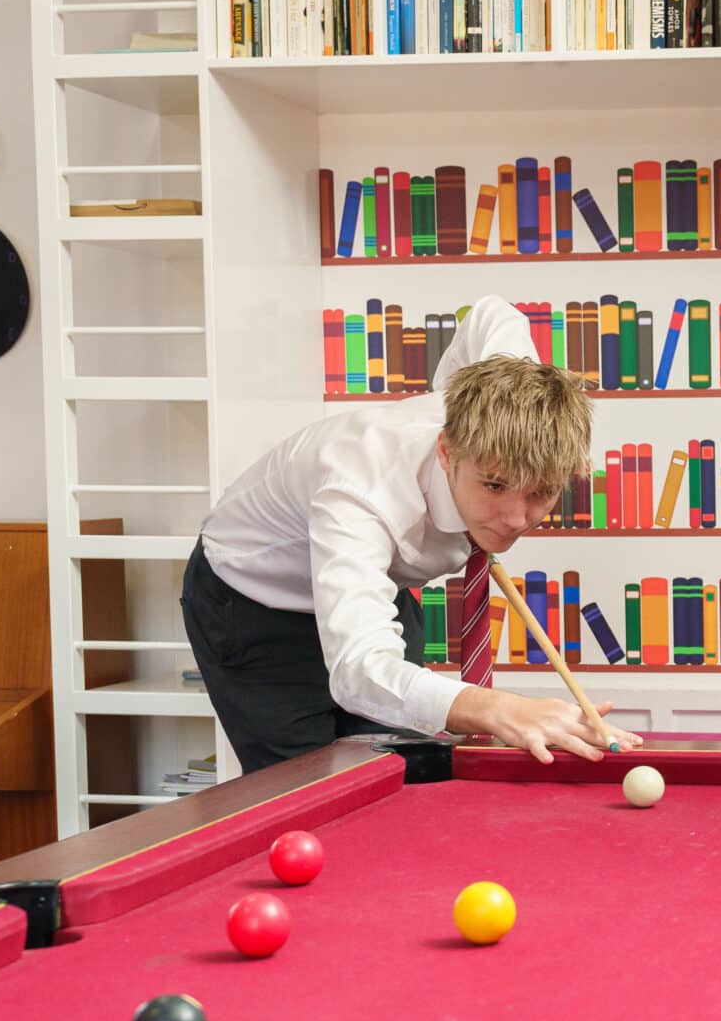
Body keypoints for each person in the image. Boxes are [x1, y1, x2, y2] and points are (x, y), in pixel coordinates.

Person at [183, 295, 640, 771]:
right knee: (310, 783)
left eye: (541, 492)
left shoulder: (500, 408)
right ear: (447, 451)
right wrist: (501, 708)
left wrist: (482, 395)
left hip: (374, 586)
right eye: (494, 485)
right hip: (253, 606)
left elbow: (491, 312)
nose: (514, 518)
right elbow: (359, 672)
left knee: (394, 766)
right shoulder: (359, 491)